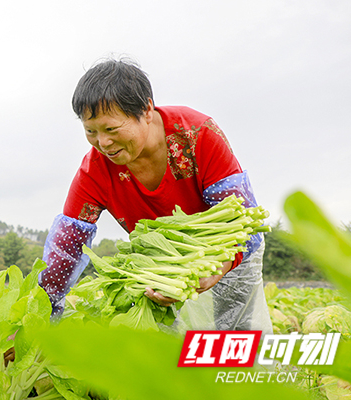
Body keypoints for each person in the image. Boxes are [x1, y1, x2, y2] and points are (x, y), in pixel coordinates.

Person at [38, 58, 272, 333]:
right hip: (163, 273)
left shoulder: (198, 134)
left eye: (111, 129)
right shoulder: (95, 172)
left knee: (236, 339)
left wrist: (218, 265)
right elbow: (66, 248)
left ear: (146, 109)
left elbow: (241, 219)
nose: (102, 143)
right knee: (170, 354)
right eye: (91, 132)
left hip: (229, 258)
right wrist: (41, 315)